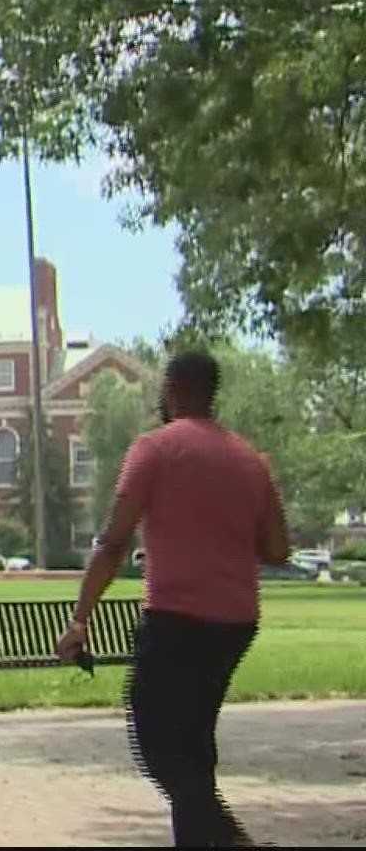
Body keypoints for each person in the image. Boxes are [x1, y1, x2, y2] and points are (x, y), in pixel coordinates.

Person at [57, 350, 291, 847]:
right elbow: (277, 548)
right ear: (212, 393)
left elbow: (113, 541)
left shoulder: (154, 450)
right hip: (235, 622)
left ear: (172, 392)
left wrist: (80, 619)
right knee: (192, 742)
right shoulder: (252, 460)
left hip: (177, 618)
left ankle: (233, 841)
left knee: (155, 743)